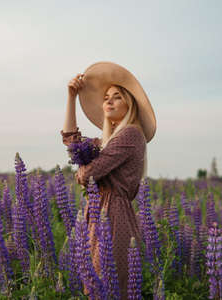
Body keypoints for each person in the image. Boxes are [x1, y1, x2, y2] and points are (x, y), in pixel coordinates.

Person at [60, 61, 156, 300]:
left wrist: (81, 173)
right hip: (98, 212)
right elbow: (73, 143)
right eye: (106, 98)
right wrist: (71, 97)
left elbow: (89, 174)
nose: (109, 101)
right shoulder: (108, 141)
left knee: (110, 286)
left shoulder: (132, 134)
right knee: (94, 287)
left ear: (129, 104)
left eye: (117, 97)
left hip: (114, 216)